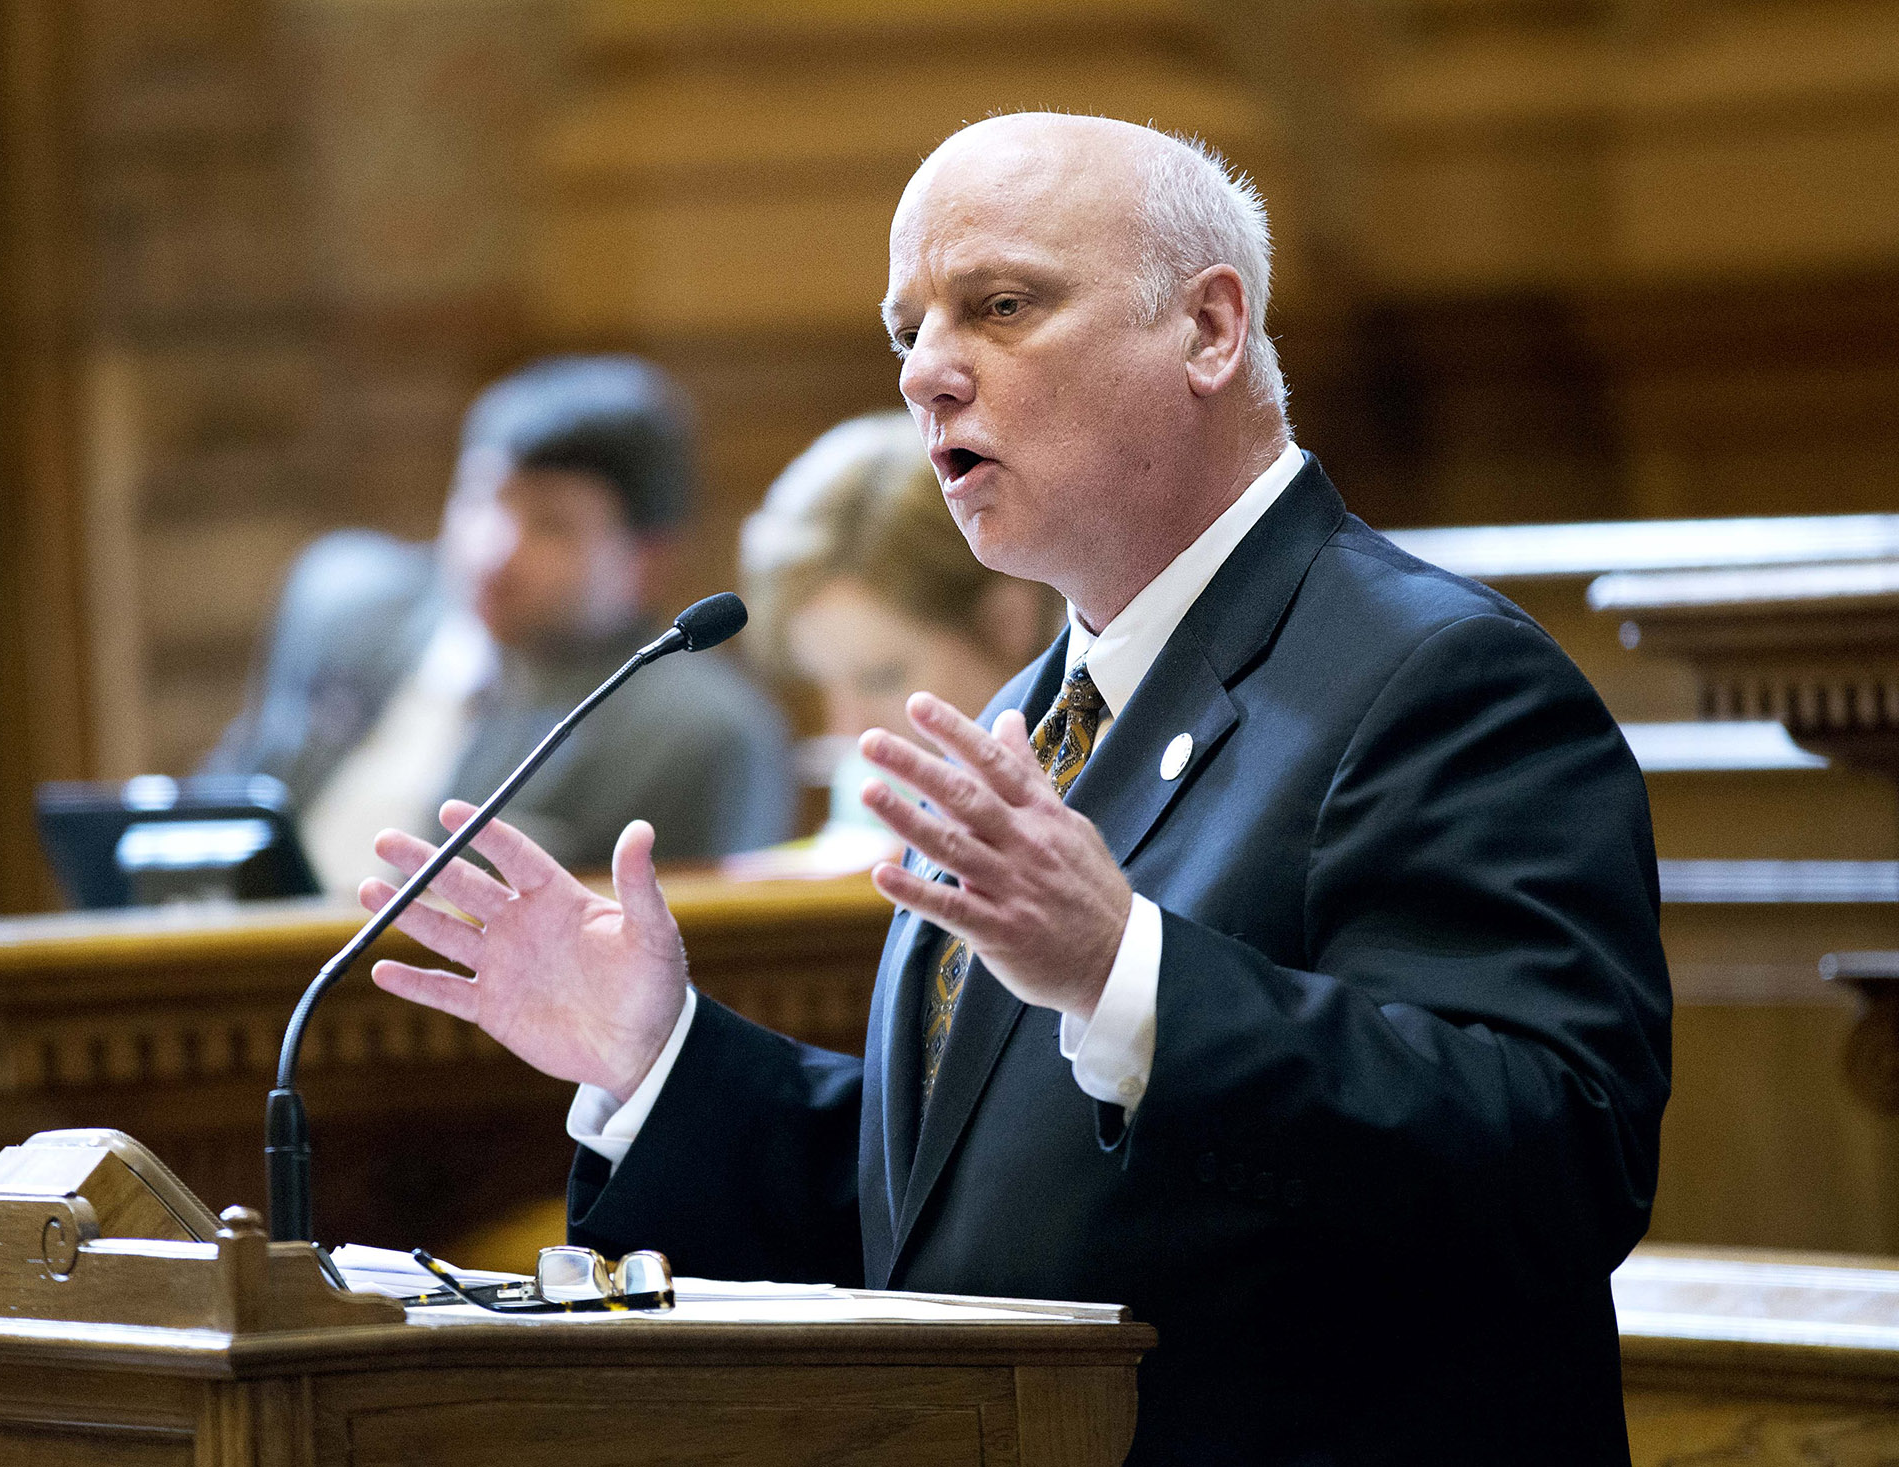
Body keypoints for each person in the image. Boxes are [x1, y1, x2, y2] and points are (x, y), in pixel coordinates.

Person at [358, 116, 1670, 1465]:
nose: (925, 372)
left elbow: (1557, 1158)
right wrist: (661, 1058)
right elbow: (949, 1227)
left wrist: (1126, 971)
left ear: (1209, 329)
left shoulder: (1436, 676)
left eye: (1000, 305)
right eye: (906, 329)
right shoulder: (1027, 717)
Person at [206, 356, 794, 889]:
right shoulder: (343, 603)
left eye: (552, 524)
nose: (494, 548)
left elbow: (690, 950)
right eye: (482, 497)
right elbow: (226, 803)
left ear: (646, 562)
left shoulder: (698, 737)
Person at [734, 411, 1056, 874]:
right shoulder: (868, 787)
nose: (851, 732)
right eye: (826, 684)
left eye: (882, 678)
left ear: (1009, 619)